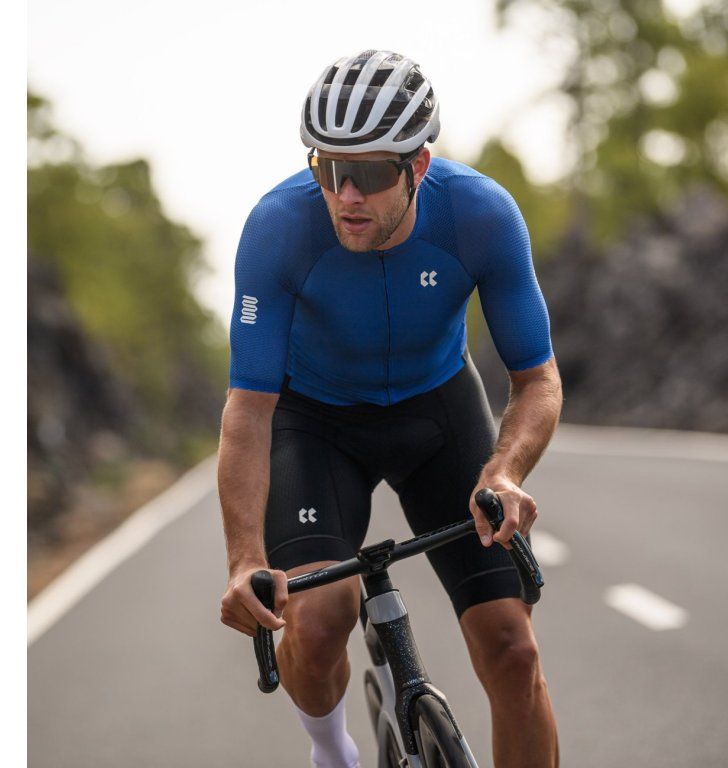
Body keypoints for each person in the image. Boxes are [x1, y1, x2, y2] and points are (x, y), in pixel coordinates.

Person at [218, 49, 563, 768]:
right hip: (315, 424)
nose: (345, 195)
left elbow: (537, 380)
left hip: (437, 412)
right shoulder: (279, 227)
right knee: (319, 619)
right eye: (327, 169)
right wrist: (246, 558)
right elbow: (249, 410)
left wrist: (503, 473)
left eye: (370, 174)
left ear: (419, 166)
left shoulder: (479, 215)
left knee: (513, 648)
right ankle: (331, 750)